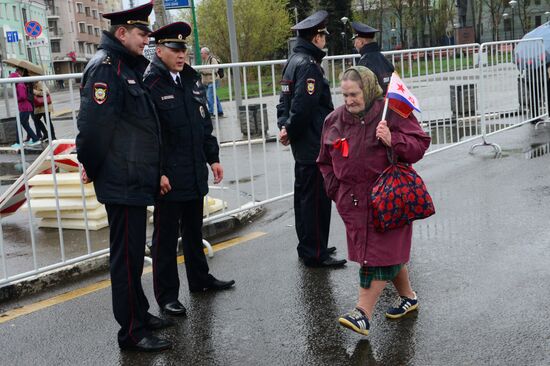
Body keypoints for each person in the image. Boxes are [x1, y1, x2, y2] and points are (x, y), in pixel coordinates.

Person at [76, 2, 173, 352]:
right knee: (127, 259)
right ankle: (131, 332)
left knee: (133, 255)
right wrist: (93, 166)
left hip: (133, 176)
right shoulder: (106, 69)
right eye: (141, 33)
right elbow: (93, 130)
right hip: (121, 179)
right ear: (121, 33)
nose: (147, 39)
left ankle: (141, 314)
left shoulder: (124, 67)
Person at [317, 66, 431, 336]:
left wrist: (394, 139)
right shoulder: (334, 120)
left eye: (354, 94)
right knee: (384, 253)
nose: (349, 100)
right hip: (353, 203)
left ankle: (362, 313)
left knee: (375, 258)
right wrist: (336, 191)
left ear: (367, 90)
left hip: (388, 200)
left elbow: (420, 144)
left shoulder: (392, 111)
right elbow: (323, 161)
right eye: (344, 95)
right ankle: (409, 297)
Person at [143, 22, 235, 316]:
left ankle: (200, 279)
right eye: (174, 49)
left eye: (183, 49)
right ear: (159, 51)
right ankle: (167, 296)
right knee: (166, 239)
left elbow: (203, 125)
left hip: (194, 171)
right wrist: (158, 172)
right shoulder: (151, 84)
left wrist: (213, 158)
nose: (181, 54)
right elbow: (149, 136)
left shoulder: (192, 80)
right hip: (169, 175)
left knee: (195, 230)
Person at [276, 10, 346, 268]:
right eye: (323, 35)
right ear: (316, 37)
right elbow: (303, 106)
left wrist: (285, 127)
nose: (325, 40)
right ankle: (316, 252)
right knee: (316, 199)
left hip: (303, 142)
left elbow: (283, 101)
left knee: (305, 197)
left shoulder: (293, 60)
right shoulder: (308, 65)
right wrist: (291, 129)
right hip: (314, 141)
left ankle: (309, 246)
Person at [351, 21, 395, 93]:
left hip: (375, 103)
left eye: (355, 42)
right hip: (388, 101)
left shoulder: (364, 64)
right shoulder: (385, 60)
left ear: (361, 42)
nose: (354, 45)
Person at [9, 67, 40, 148]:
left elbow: (23, 97)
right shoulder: (20, 84)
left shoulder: (19, 85)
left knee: (19, 124)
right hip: (25, 107)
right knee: (24, 124)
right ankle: (34, 138)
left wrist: (16, 98)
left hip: (25, 108)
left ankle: (20, 142)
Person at [31, 73, 57, 142]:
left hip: (45, 106)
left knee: (47, 121)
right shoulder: (34, 84)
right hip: (40, 106)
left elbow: (46, 92)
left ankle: (53, 136)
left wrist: (34, 91)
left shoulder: (39, 82)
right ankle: (46, 134)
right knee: (36, 119)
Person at [199, 47, 224, 117]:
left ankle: (210, 112)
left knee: (209, 97)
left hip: (213, 81)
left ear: (205, 53)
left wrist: (203, 71)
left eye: (201, 53)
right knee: (214, 97)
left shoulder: (212, 60)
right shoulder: (203, 60)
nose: (201, 54)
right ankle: (220, 111)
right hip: (206, 82)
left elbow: (216, 69)